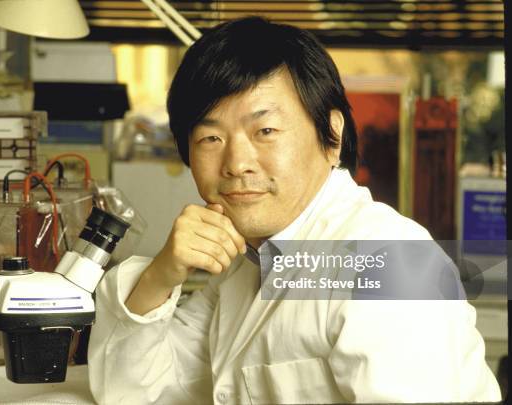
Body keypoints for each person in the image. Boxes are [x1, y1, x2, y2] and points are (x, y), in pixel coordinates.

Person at [88, 17, 501, 404]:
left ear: (333, 135)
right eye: (210, 138)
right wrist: (162, 274)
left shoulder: (390, 260)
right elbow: (134, 392)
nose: (236, 163)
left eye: (265, 131)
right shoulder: (250, 266)